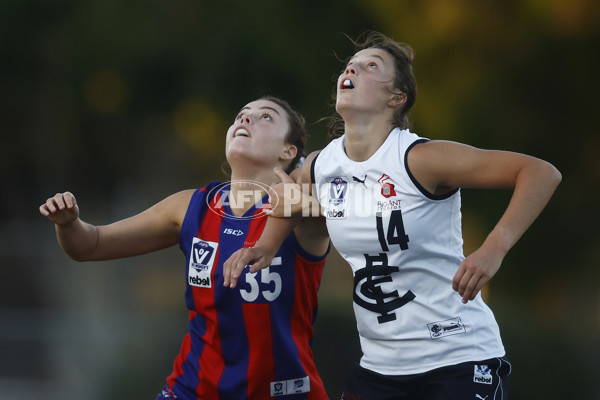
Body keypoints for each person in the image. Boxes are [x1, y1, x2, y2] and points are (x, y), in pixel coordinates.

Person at [223, 32, 562, 400]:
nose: (352, 68)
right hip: (380, 368)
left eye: (372, 66)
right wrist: (268, 244)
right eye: (351, 64)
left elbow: (541, 173)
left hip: (458, 358)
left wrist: (494, 248)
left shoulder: (420, 158)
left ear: (396, 98)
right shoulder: (323, 165)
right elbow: (291, 198)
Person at [39, 96, 331, 400]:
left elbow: (340, 179)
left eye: (266, 117)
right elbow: (90, 245)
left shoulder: (303, 213)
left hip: (282, 392)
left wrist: (309, 181)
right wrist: (68, 223)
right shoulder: (191, 207)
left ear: (289, 151)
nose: (245, 120)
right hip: (192, 390)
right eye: (241, 114)